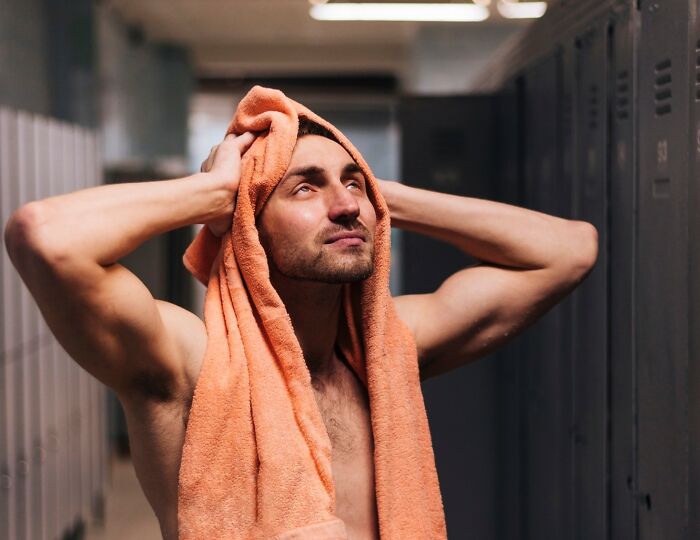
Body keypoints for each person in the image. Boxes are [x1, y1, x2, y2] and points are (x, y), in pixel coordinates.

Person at [3, 116, 598, 539]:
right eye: (305, 187)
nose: (344, 205)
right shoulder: (189, 362)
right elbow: (42, 236)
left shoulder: (387, 350)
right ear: (245, 222)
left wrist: (384, 197)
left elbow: (570, 249)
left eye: (351, 182)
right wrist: (211, 190)